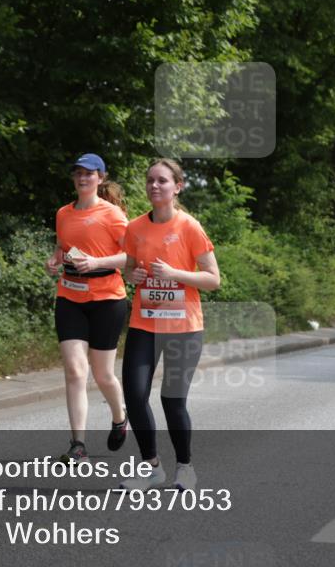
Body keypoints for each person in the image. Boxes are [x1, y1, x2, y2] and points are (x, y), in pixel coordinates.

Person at [118, 159, 220, 491]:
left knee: (172, 401)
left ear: (177, 187)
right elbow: (129, 269)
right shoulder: (134, 228)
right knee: (134, 396)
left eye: (162, 181)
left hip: (183, 327)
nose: (154, 186)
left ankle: (185, 468)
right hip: (144, 324)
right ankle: (151, 468)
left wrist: (174, 274)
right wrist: (130, 275)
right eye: (150, 181)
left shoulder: (189, 227)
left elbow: (213, 279)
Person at [45, 153, 130, 464]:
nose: (83, 178)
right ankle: (77, 444)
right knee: (75, 370)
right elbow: (62, 247)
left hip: (107, 299)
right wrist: (54, 262)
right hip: (70, 296)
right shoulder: (63, 214)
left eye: (89, 174)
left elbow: (131, 256)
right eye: (78, 173)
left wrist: (97, 262)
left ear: (100, 178)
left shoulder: (112, 215)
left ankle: (120, 417)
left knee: (103, 374)